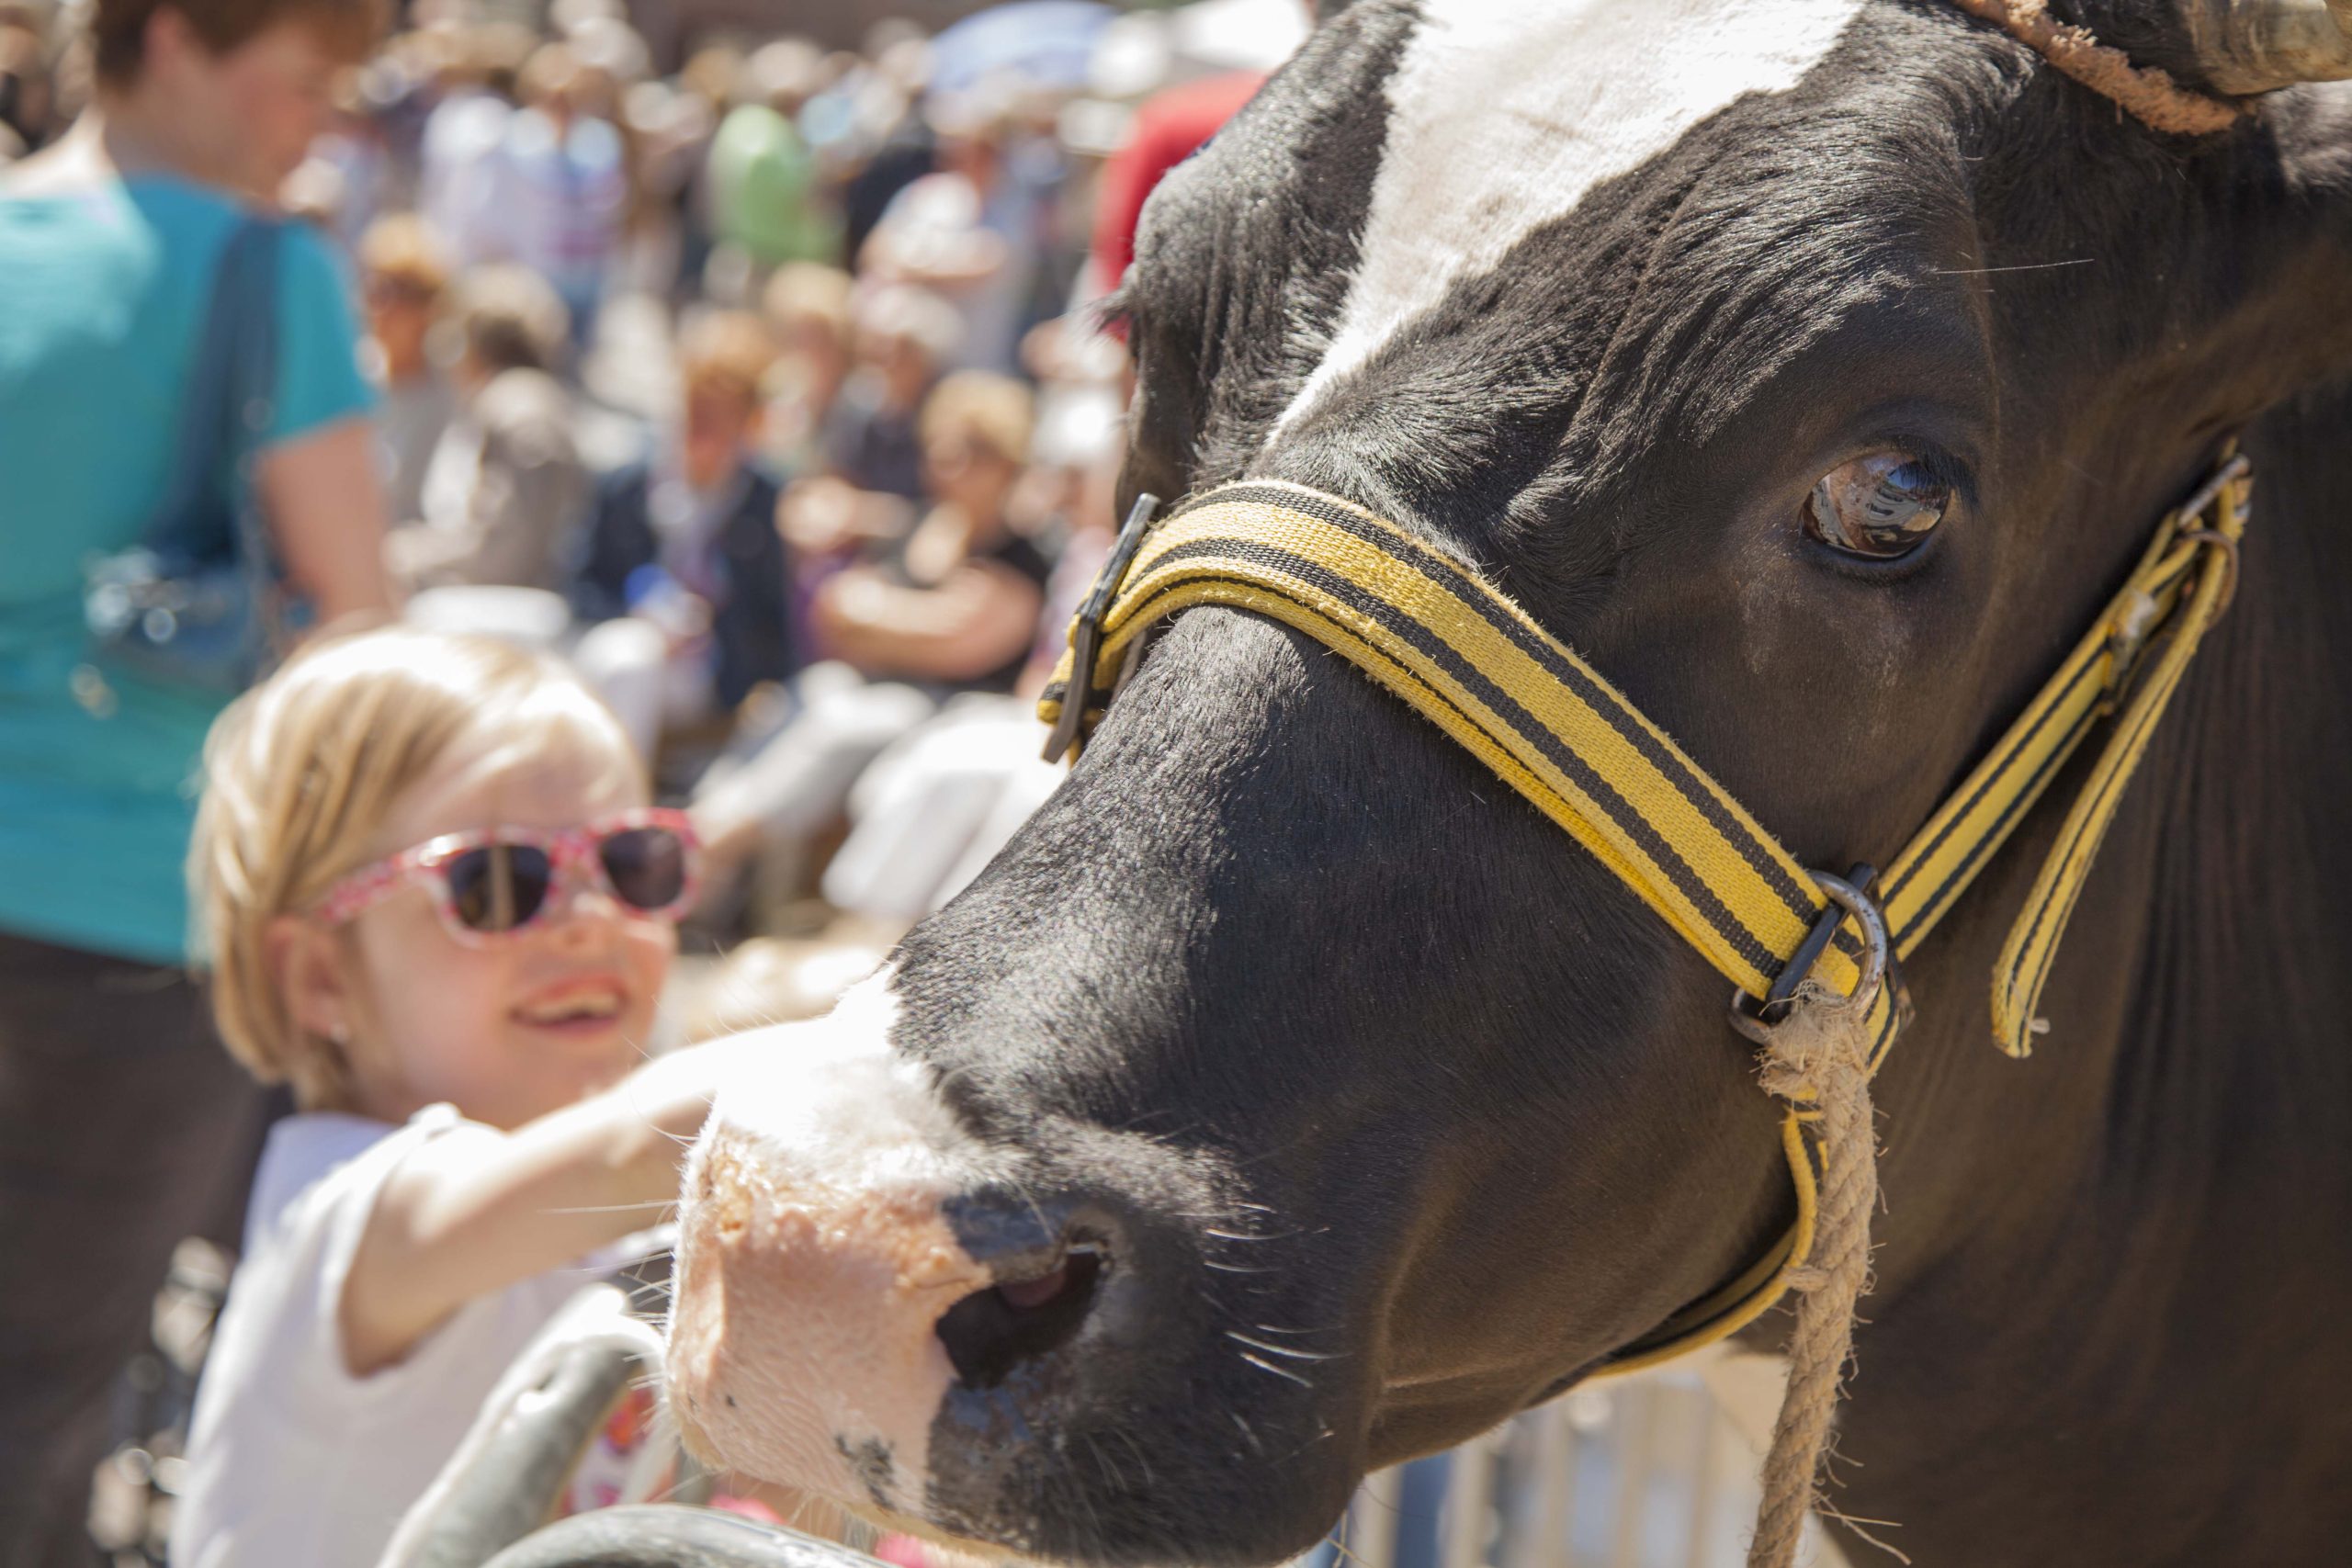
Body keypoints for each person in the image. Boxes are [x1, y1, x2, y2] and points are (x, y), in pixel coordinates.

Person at [0, 0, 392, 1554]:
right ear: (168, 39)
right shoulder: (263, 270)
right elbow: (361, 629)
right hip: (136, 920)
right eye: (299, 85)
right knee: (39, 1393)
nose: (317, 127)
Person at [169, 626, 771, 1564]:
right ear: (323, 975)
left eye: (629, 862)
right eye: (500, 881)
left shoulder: (625, 1225)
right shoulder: (353, 1208)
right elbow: (634, 1148)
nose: (589, 921)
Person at [571, 310, 800, 763]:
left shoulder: (764, 503)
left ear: (747, 423)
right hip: (622, 647)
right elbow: (582, 588)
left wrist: (711, 623)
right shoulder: (628, 484)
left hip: (707, 677)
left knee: (629, 663)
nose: (701, 428)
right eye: (694, 409)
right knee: (627, 655)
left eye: (719, 416)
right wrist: (640, 613)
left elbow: (775, 636)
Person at [389, 263, 586, 593]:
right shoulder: (516, 399)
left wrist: (406, 558)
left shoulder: (517, 407)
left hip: (515, 602)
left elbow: (504, 553)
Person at [359, 211, 458, 525]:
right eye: (376, 291)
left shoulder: (454, 390)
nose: (381, 309)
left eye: (399, 293)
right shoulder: (357, 376)